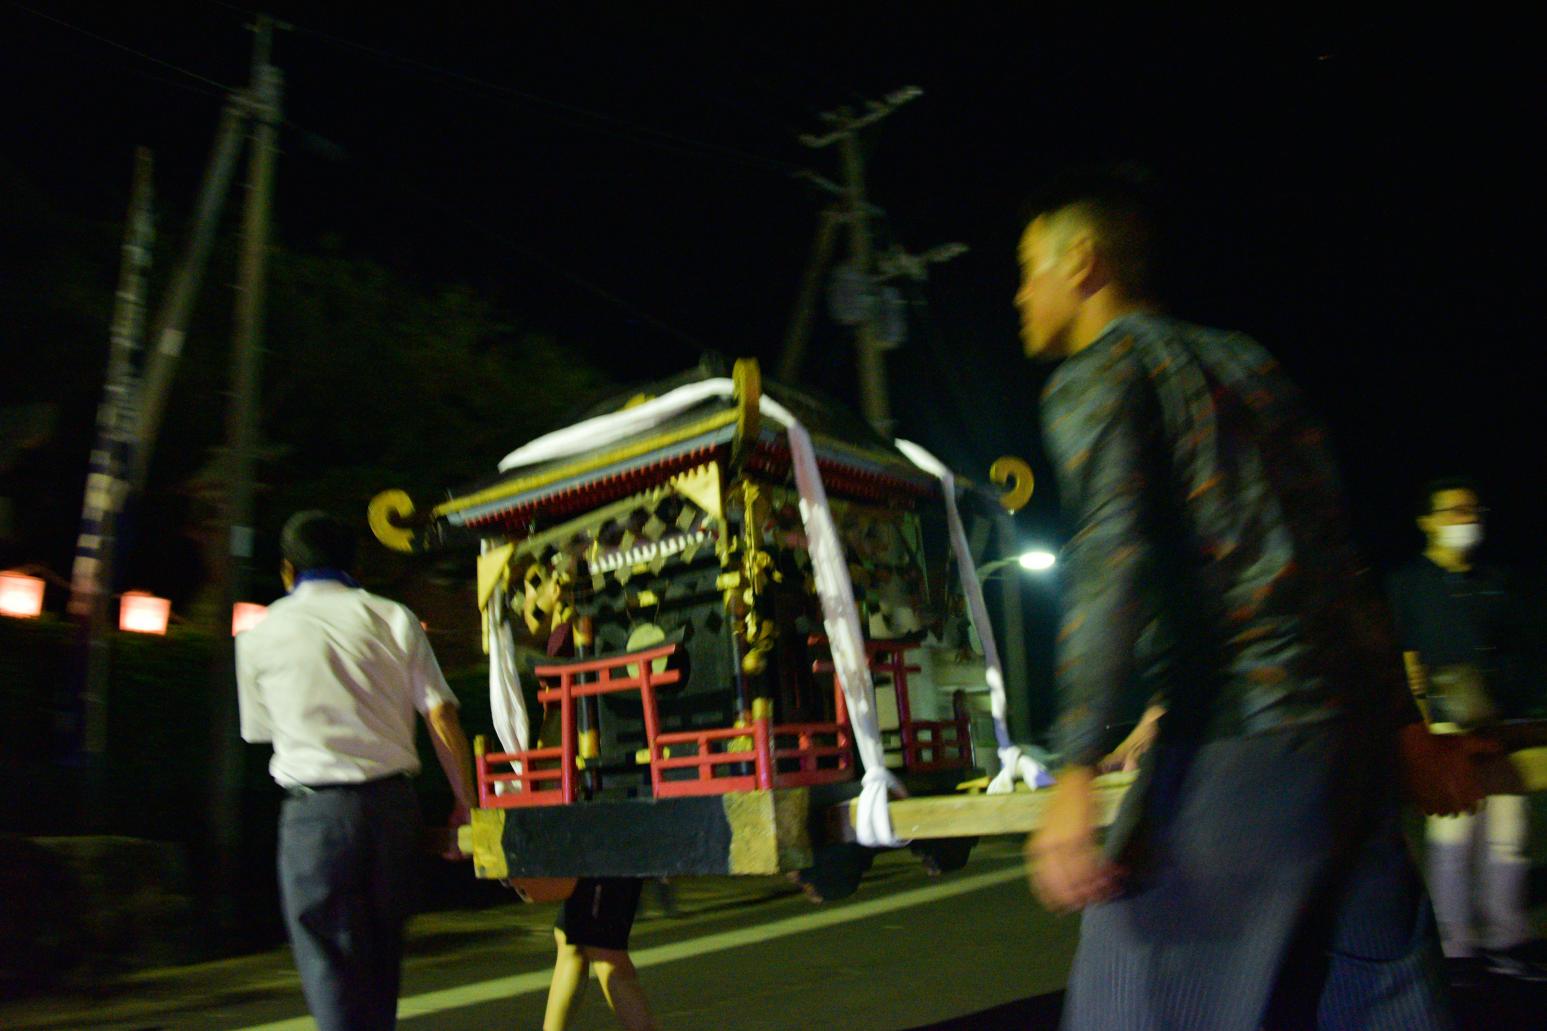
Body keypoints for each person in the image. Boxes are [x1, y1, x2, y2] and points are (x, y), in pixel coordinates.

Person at [1016, 170, 1492, 1030]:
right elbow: (1337, 558)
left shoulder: (1101, 373)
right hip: (1345, 755)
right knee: (1372, 998)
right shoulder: (1247, 362)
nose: (1019, 295)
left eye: (1028, 269)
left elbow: (1110, 556)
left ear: (1081, 262)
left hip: (1240, 745)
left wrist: (1076, 766)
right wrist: (1403, 726)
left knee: (1134, 997)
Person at [237, 510, 475, 1030]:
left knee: (330, 971)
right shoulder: (393, 617)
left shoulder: (258, 635)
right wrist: (466, 805)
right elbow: (440, 713)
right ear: (354, 565)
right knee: (380, 965)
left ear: (286, 570)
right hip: (392, 812)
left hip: (314, 816)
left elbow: (263, 732)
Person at [1389, 478, 1543, 980]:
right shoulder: (1409, 585)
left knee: (1508, 836)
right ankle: (1456, 947)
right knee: (1453, 838)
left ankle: (1507, 937)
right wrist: (1421, 724)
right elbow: (1405, 658)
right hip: (1447, 729)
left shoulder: (1496, 581)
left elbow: (1523, 651)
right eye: (1453, 511)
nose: (1465, 520)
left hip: (1500, 726)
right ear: (1426, 521)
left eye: (1471, 510)